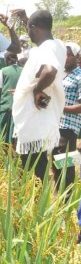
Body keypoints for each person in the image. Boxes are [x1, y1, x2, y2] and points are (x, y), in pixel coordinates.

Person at [11, 9, 66, 181]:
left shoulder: (46, 48)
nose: (28, 33)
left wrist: (36, 90)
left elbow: (50, 70)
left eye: (29, 28)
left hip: (34, 119)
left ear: (34, 28)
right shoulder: (58, 45)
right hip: (43, 118)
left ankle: (35, 204)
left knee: (33, 169)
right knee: (39, 164)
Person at [53, 42, 81, 191]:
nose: (66, 57)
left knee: (65, 165)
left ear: (77, 57)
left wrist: (62, 109)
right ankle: (60, 199)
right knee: (56, 164)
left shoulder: (79, 76)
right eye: (64, 54)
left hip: (68, 128)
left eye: (69, 54)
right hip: (56, 126)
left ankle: (67, 201)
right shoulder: (62, 75)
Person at [0, 52, 22, 144]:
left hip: (6, 106)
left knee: (4, 134)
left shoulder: (2, 71)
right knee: (15, 135)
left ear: (8, 60)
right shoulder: (24, 70)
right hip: (19, 107)